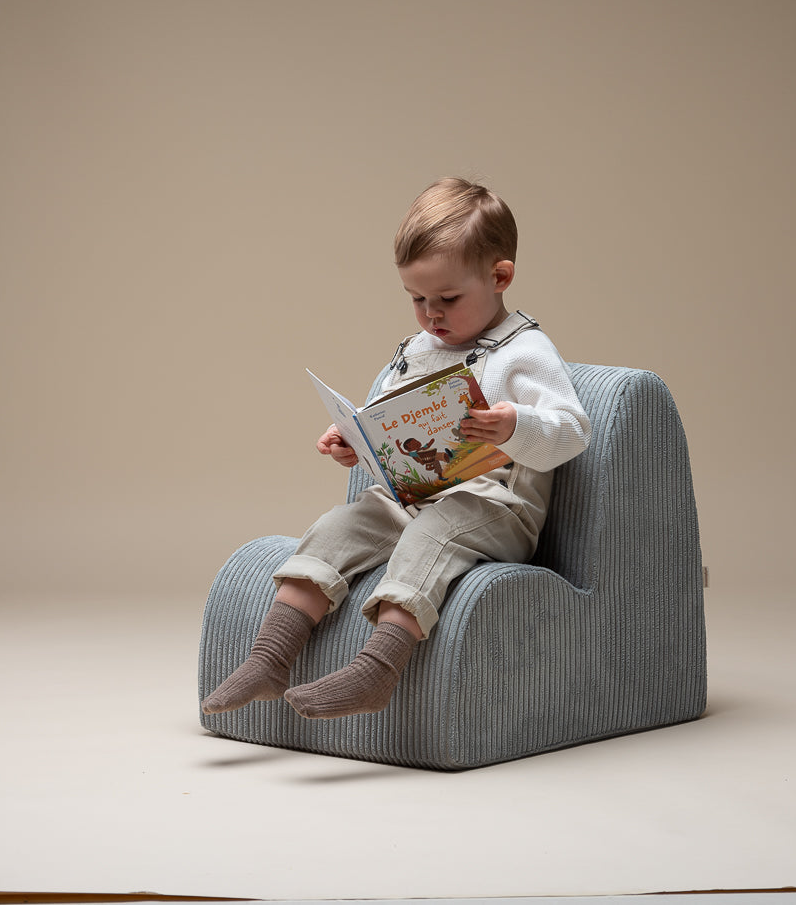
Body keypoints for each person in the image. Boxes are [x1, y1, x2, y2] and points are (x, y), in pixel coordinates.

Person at [201, 177, 591, 721]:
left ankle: (378, 671)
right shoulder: (418, 350)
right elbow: (387, 421)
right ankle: (269, 658)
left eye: (448, 299)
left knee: (434, 532)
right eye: (417, 299)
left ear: (500, 277)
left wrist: (513, 425)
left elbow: (572, 431)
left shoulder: (524, 352)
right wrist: (354, 443)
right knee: (340, 524)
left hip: (496, 507)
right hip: (415, 493)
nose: (432, 315)